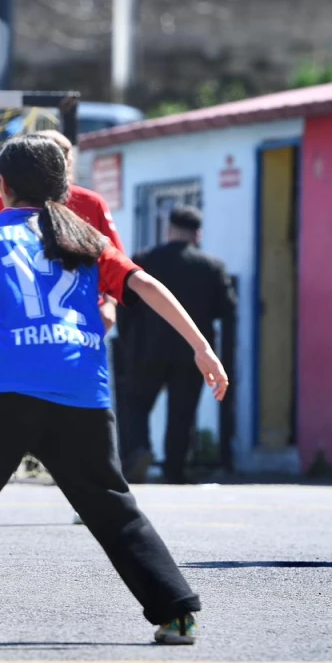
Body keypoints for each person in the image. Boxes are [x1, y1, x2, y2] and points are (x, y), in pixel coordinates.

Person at [0, 134, 230, 645]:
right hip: (79, 390)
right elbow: (145, 286)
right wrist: (202, 348)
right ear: (64, 186)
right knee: (112, 509)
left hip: (0, 392)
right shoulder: (86, 239)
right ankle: (176, 614)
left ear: (2, 185)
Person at [115, 205, 237, 484]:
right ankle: (175, 469)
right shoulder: (211, 267)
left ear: (168, 229)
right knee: (183, 411)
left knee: (136, 404)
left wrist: (128, 342)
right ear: (198, 234)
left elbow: (125, 305)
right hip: (191, 352)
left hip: (147, 349)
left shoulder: (144, 260)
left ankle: (139, 451)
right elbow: (227, 309)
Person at [0, 129, 125, 332]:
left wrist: (110, 305)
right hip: (21, 317)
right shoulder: (3, 202)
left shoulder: (91, 202)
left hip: (78, 316)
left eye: (64, 154)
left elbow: (116, 265)